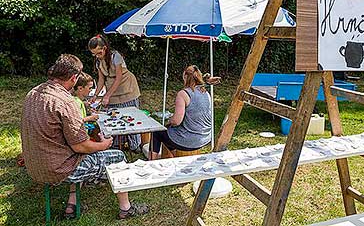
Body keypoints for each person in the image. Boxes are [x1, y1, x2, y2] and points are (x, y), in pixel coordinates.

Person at [20, 54, 148, 219]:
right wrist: (105, 144)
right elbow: (81, 146)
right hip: (58, 169)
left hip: (34, 165)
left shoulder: (33, 93)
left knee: (77, 155)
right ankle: (126, 209)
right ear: (74, 78)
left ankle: (71, 205)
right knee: (117, 156)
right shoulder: (66, 101)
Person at [150, 65, 219, 159]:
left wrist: (169, 121)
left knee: (157, 133)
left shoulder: (183, 94)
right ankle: (174, 157)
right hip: (205, 138)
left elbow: (176, 121)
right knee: (170, 134)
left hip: (190, 140)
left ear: (185, 77)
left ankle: (151, 162)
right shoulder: (205, 93)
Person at [88, 34, 142, 151]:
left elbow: (118, 78)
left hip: (127, 88)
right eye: (94, 54)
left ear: (104, 48)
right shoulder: (98, 62)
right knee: (113, 117)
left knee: (130, 116)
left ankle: (135, 145)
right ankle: (117, 144)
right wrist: (96, 95)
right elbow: (101, 80)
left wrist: (107, 95)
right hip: (112, 91)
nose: (97, 56)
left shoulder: (115, 56)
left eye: (99, 53)